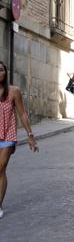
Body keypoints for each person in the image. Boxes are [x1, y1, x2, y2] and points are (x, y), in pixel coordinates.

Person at [0, 61, 38, 219]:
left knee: (0, 169)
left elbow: (22, 114)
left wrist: (30, 136)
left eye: (1, 70)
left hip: (8, 135)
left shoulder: (13, 91)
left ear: (5, 72)